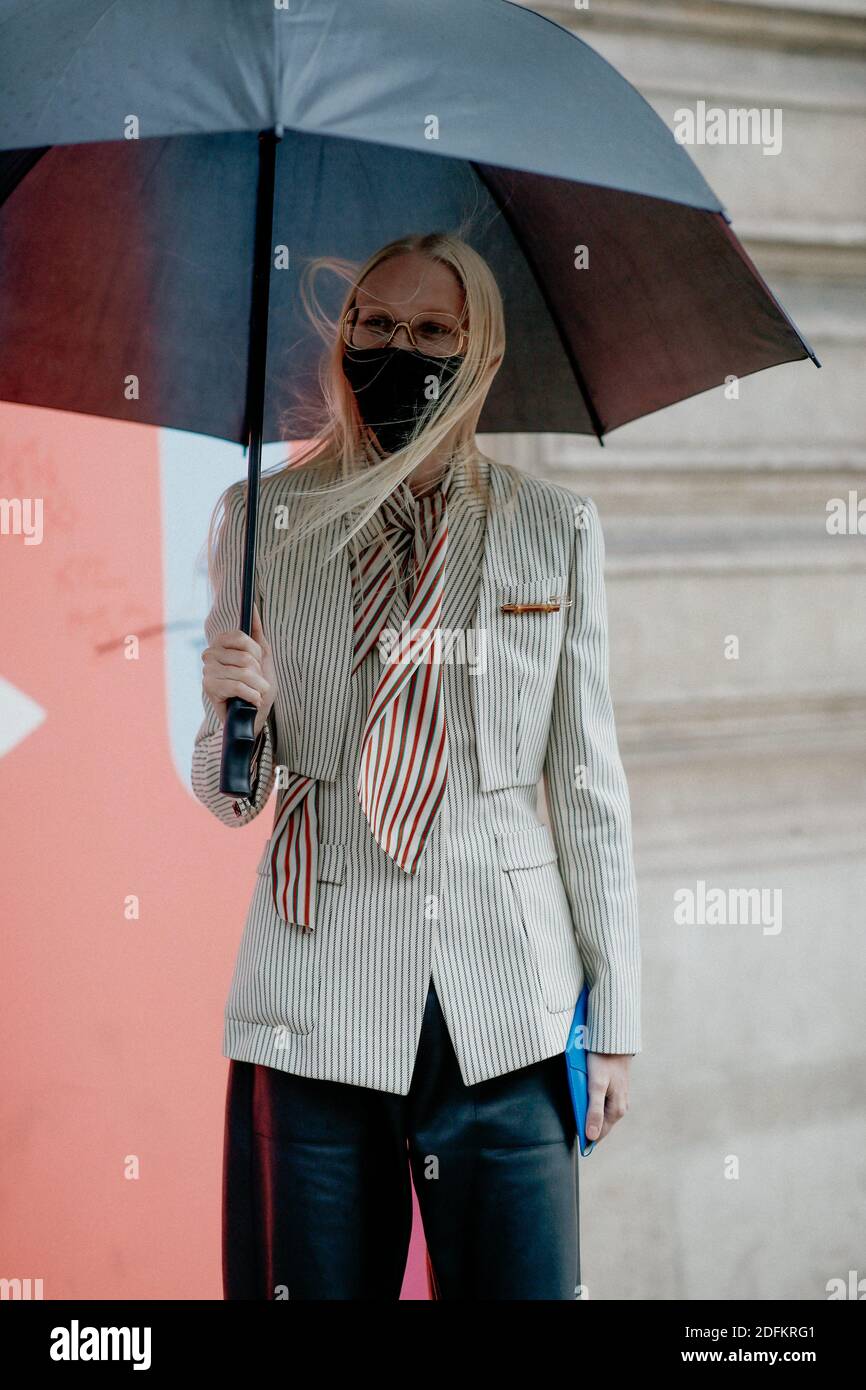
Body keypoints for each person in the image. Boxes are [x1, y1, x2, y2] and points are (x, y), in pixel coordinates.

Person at [192, 231, 641, 1301]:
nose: (399, 348)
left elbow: (585, 787)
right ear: (341, 340)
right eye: (375, 324)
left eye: (432, 329)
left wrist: (614, 1022)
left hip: (508, 1009)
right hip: (313, 995)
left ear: (480, 355)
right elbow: (227, 797)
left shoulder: (552, 528)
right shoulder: (262, 522)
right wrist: (231, 711)